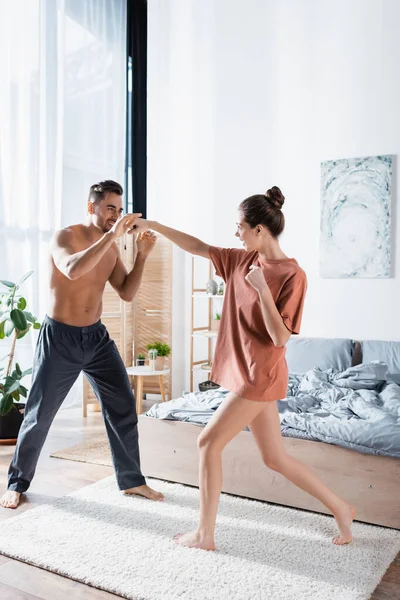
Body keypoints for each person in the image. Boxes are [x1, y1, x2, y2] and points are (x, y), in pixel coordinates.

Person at [134, 186, 355, 549]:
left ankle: (205, 534)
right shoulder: (240, 260)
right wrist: (155, 224)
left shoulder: (292, 275)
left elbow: (281, 338)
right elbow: (198, 246)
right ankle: (341, 507)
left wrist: (262, 291)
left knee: (208, 442)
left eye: (240, 227)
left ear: (259, 230)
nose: (235, 233)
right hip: (245, 374)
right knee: (275, 458)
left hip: (259, 376)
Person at [0, 180, 163, 509]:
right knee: (39, 414)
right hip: (60, 336)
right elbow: (73, 270)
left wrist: (142, 256)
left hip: (96, 338)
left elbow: (126, 292)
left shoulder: (112, 248)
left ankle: (132, 481)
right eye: (109, 208)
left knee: (122, 405)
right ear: (92, 208)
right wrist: (110, 237)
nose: (115, 215)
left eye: (119, 209)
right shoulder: (65, 237)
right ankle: (17, 483)